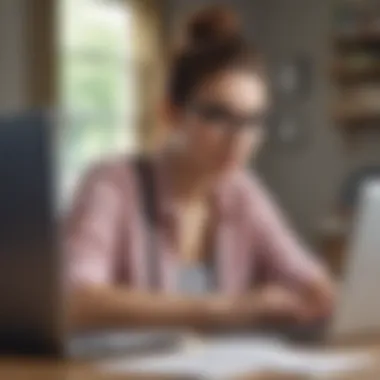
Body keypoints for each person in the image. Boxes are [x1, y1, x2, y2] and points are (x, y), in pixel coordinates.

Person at [66, 6, 334, 331]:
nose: (239, 139)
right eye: (218, 116)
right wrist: (226, 309)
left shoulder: (242, 191)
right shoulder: (111, 184)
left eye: (253, 121)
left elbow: (308, 278)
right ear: (171, 114)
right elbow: (74, 299)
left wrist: (322, 295)